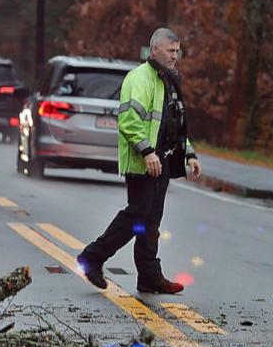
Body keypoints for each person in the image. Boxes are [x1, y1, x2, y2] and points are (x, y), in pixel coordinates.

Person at [76, 27, 202, 294]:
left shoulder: (167, 80)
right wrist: (147, 152)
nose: (174, 56)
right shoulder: (140, 78)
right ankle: (93, 257)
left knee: (151, 220)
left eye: (177, 51)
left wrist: (189, 153)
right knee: (138, 214)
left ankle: (149, 277)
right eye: (170, 51)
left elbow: (173, 125)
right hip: (143, 161)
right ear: (155, 50)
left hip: (162, 162)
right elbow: (129, 120)